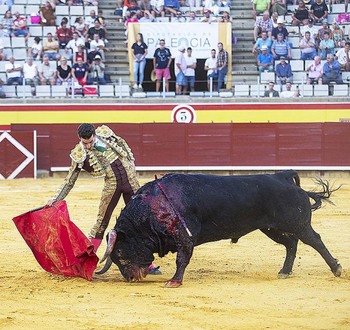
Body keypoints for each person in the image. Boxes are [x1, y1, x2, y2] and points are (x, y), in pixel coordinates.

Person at [46, 123, 161, 275]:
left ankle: (148, 263)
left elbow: (122, 143)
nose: (87, 146)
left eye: (90, 142)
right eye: (84, 142)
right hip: (112, 185)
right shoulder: (79, 153)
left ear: (94, 135)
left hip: (131, 181)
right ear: (80, 139)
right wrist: (55, 199)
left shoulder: (105, 133)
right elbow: (69, 180)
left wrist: (131, 161)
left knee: (142, 221)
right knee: (101, 223)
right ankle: (86, 262)